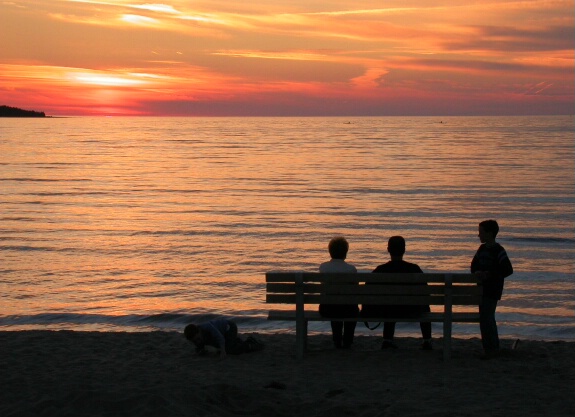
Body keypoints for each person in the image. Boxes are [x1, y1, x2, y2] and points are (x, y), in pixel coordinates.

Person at [362, 236, 433, 350]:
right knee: (424, 304)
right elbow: (425, 294)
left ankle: (387, 340)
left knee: (390, 304)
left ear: (388, 249)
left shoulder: (380, 270)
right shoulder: (414, 269)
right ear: (404, 250)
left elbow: (367, 292)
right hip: (411, 311)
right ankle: (427, 340)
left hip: (386, 311)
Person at [471, 219, 513, 358]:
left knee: (487, 318)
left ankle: (492, 347)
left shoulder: (498, 250)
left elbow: (507, 269)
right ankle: (488, 347)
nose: (479, 235)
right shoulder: (481, 250)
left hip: (492, 290)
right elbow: (473, 266)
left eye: (481, 233)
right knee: (485, 318)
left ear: (489, 234)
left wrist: (489, 274)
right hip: (482, 290)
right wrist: (477, 272)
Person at [318, 236, 359, 349]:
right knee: (350, 307)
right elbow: (355, 290)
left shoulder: (323, 267)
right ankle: (348, 340)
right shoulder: (351, 269)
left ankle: (337, 340)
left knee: (333, 303)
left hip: (327, 309)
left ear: (330, 252)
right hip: (348, 310)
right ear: (345, 253)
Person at [184, 318, 263, 356]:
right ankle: (237, 341)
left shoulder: (208, 327)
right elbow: (200, 346)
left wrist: (223, 351)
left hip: (229, 328)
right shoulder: (197, 337)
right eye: (194, 341)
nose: (197, 341)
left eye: (198, 339)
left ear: (199, 331)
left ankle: (249, 343)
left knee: (230, 350)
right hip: (223, 333)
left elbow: (220, 338)